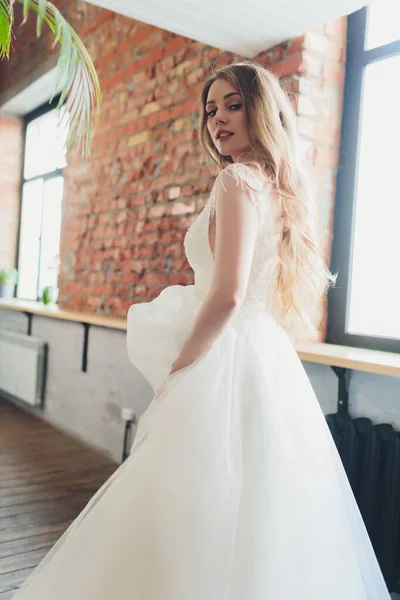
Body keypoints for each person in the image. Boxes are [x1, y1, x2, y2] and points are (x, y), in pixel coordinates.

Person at [11, 61, 391, 599]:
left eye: (233, 105)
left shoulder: (236, 180)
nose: (218, 120)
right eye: (211, 110)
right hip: (267, 359)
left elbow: (228, 294)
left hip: (226, 358)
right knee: (262, 512)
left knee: (190, 504)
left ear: (261, 110)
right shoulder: (279, 187)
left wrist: (181, 370)